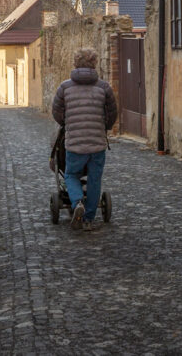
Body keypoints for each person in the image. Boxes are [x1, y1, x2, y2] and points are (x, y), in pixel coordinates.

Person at [52, 47, 117, 231]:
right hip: (97, 143)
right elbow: (112, 113)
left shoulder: (65, 87)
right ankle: (88, 219)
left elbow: (56, 112)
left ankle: (77, 202)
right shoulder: (104, 87)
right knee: (95, 179)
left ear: (75, 63)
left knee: (71, 175)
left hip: (74, 143)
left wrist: (67, 123)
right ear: (94, 63)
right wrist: (104, 127)